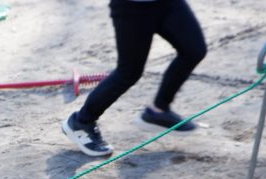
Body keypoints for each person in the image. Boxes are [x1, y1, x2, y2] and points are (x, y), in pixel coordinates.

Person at [61, 0, 208, 157]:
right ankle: (82, 121)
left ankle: (158, 111)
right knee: (129, 72)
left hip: (167, 4)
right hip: (133, 7)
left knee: (193, 51)